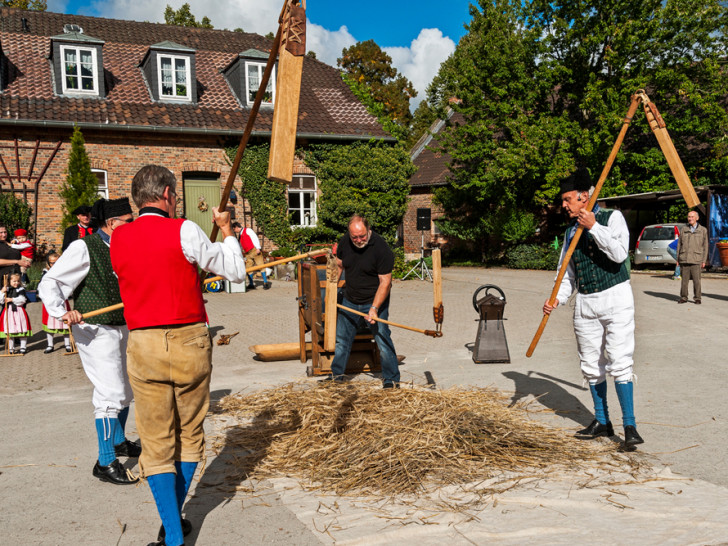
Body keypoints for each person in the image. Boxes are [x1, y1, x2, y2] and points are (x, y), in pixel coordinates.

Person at [110, 165, 246, 546]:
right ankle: (175, 522)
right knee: (188, 435)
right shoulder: (184, 229)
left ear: (138, 199)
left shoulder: (118, 238)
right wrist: (228, 230)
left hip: (144, 343)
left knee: (155, 442)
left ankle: (172, 533)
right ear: (168, 194)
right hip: (188, 340)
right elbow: (235, 272)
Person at [38, 198, 141, 486]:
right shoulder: (84, 247)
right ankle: (105, 462)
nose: (133, 225)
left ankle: (119, 441)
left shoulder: (124, 246)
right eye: (128, 221)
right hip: (94, 329)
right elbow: (50, 283)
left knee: (126, 388)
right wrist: (62, 311)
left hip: (121, 324)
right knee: (110, 393)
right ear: (111, 223)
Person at [542, 170, 644, 448]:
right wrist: (557, 299)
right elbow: (566, 274)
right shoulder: (569, 232)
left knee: (620, 360)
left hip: (616, 298)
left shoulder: (613, 218)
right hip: (586, 302)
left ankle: (630, 425)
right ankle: (602, 420)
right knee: (590, 364)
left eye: (567, 200)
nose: (564, 205)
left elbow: (620, 254)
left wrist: (594, 227)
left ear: (583, 197)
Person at [328, 215, 400, 388]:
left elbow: (385, 283)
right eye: (355, 237)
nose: (359, 240)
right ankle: (336, 376)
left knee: (382, 339)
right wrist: (331, 290)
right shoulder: (345, 242)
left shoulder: (381, 249)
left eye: (362, 236)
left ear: (369, 230)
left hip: (374, 300)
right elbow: (338, 265)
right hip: (350, 299)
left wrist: (374, 308)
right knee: (342, 341)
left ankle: (391, 379)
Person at [40, 252, 72, 353]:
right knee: (50, 326)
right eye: (52, 263)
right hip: (50, 302)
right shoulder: (46, 274)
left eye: (57, 262)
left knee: (65, 324)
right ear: (48, 263)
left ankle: (67, 344)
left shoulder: (64, 272)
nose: (55, 265)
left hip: (62, 300)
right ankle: (50, 344)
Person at [677, 210, 708, 304]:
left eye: (692, 217)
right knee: (684, 282)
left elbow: (705, 246)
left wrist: (704, 260)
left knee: (697, 281)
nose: (690, 218)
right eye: (689, 217)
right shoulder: (684, 229)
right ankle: (684, 297)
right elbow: (679, 245)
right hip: (684, 258)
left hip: (696, 259)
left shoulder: (703, 230)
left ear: (697, 218)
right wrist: (678, 259)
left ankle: (697, 298)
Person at [0, 272, 32, 354]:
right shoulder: (6, 289)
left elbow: (23, 300)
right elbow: (1, 301)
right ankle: (11, 348)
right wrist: (2, 292)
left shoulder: (21, 289)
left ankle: (23, 347)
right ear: (9, 281)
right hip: (8, 312)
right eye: (14, 281)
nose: (16, 283)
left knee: (22, 329)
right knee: (10, 330)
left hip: (18, 311)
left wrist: (12, 299)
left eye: (18, 281)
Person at [233, 222, 270, 290]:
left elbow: (254, 238)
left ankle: (265, 283)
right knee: (248, 268)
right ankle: (251, 284)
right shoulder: (240, 235)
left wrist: (258, 248)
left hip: (254, 250)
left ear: (236, 227)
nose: (234, 231)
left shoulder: (248, 230)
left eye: (234, 229)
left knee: (261, 266)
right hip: (247, 253)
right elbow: (240, 245)